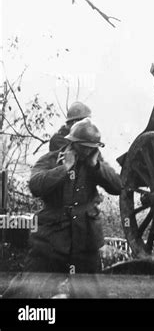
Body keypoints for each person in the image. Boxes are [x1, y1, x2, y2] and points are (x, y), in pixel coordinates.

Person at [3, 118, 122, 298]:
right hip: (51, 242)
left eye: (92, 147)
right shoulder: (50, 160)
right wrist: (65, 168)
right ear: (72, 143)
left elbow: (118, 187)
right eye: (84, 146)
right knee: (28, 291)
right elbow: (35, 186)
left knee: (91, 295)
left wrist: (96, 167)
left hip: (85, 241)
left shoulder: (96, 164)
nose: (88, 151)